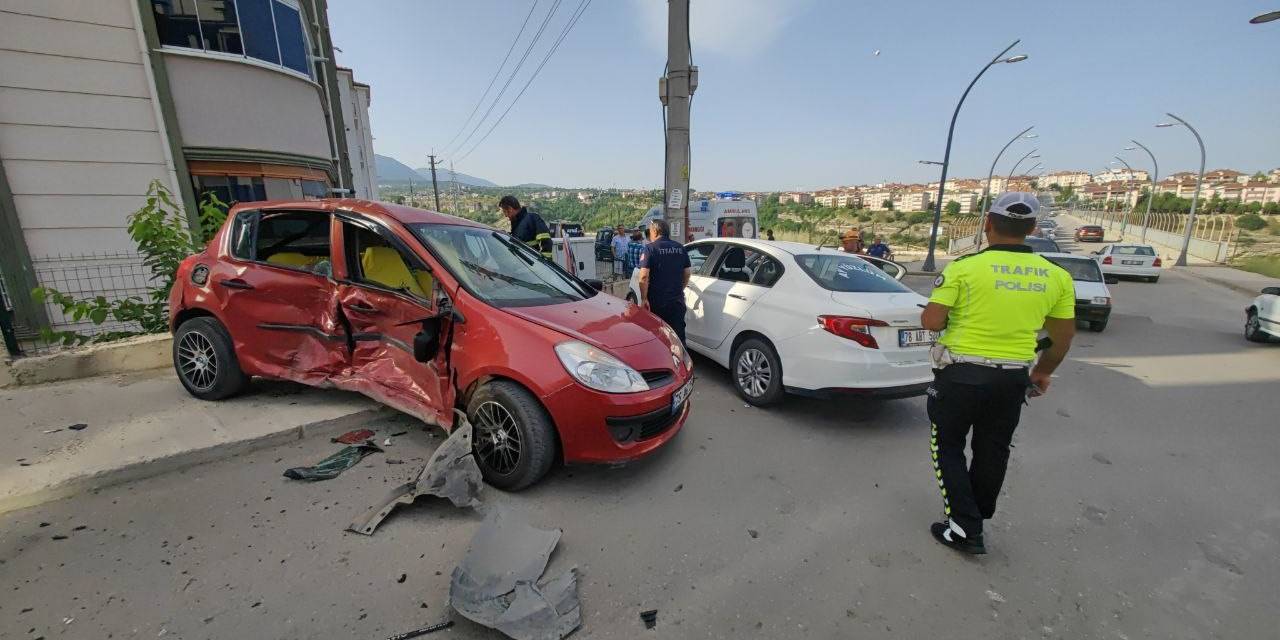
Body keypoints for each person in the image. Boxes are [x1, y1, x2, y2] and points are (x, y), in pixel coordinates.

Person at [919, 192, 1076, 555]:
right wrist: (1043, 373)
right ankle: (976, 514)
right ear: (1032, 228)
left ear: (988, 224)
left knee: (947, 447)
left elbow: (931, 321)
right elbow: (1063, 338)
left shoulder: (964, 268)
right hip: (1011, 379)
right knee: (993, 449)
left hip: (960, 375)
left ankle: (964, 528)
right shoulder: (1057, 277)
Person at [637, 219, 691, 344]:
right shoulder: (680, 247)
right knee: (677, 339)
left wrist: (644, 298)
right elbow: (687, 273)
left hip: (657, 303)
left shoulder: (650, 248)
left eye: (650, 231)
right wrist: (680, 288)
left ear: (655, 231)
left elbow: (643, 277)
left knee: (657, 338)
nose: (649, 234)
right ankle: (681, 362)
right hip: (677, 302)